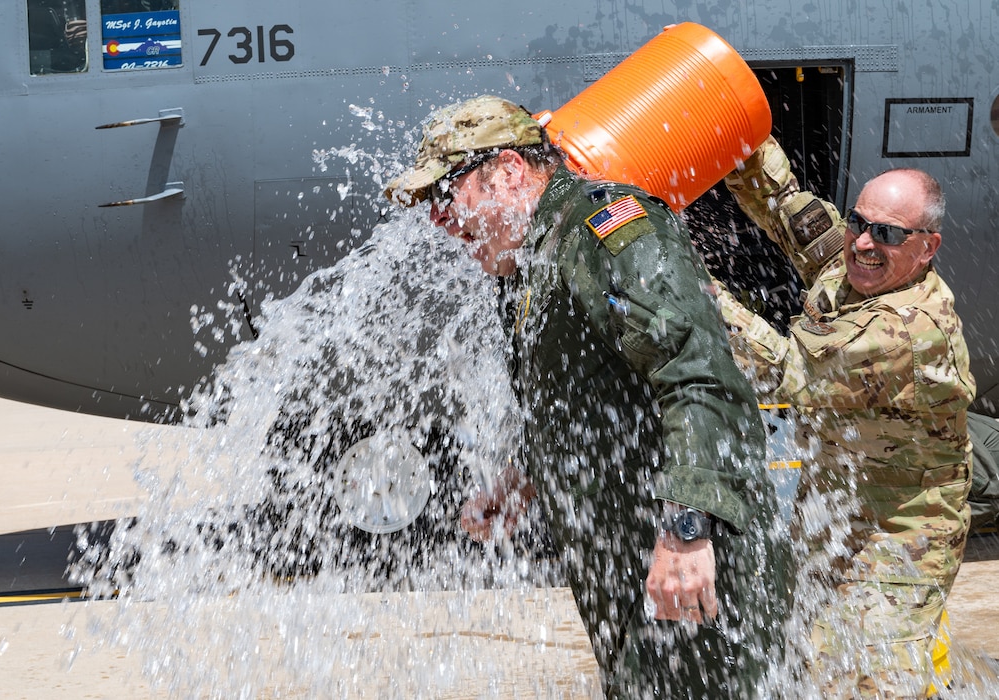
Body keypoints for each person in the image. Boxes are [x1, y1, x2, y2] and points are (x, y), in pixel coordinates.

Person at [385, 95, 791, 699]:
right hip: (634, 570)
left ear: (509, 170)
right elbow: (585, 399)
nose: (439, 221)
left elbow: (698, 377)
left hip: (694, 566)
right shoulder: (531, 260)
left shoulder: (607, 233)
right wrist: (525, 478)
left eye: (447, 194)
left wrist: (687, 529)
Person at [711, 135, 976, 698]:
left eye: (888, 234)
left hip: (901, 536)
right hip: (832, 511)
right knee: (804, 661)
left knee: (866, 681)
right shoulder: (858, 262)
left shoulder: (909, 331)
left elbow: (784, 370)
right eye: (858, 222)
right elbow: (784, 204)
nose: (864, 243)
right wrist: (737, 136)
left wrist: (689, 285)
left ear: (927, 248)